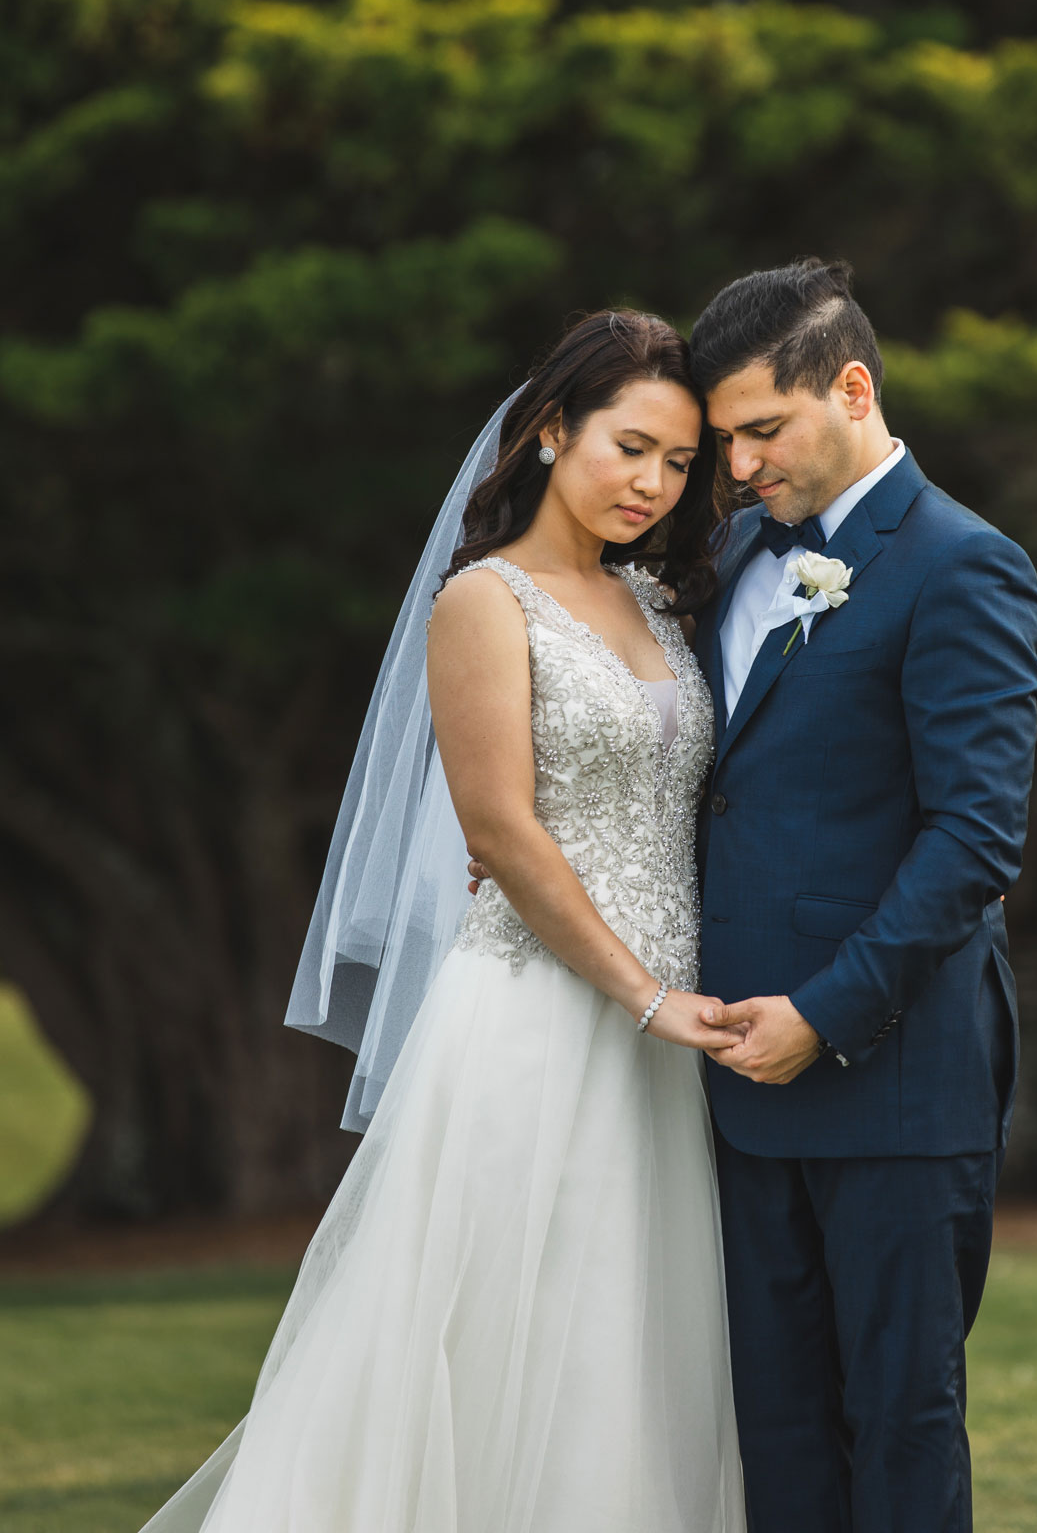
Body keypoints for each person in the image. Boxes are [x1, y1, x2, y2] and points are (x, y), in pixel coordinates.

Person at [140, 309, 747, 1533]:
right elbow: (503, 833)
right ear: (547, 430)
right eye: (630, 446)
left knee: (626, 1346)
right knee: (503, 1343)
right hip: (541, 1019)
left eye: (679, 463)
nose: (652, 483)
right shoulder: (485, 600)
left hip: (663, 1041)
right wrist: (641, 992)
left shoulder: (660, 600)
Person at [686, 257, 1037, 1533]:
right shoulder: (733, 555)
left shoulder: (963, 564)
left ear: (850, 385)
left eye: (760, 430)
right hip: (734, 1078)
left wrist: (823, 1012)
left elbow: (973, 837)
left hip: (894, 1080)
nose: (735, 465)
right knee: (775, 1428)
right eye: (723, 437)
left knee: (895, 1425)